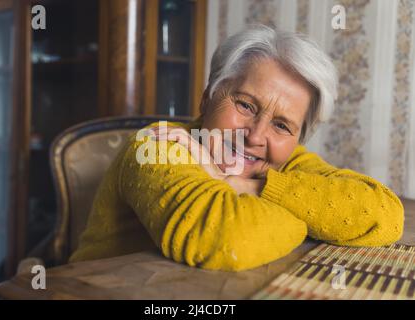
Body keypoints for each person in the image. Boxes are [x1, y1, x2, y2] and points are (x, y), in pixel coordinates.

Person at [69, 25, 404, 271]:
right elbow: (225, 241)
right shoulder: (157, 146)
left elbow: (385, 215)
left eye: (281, 125)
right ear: (207, 98)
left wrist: (243, 185)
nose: (256, 136)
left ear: (297, 141)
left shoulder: (280, 162)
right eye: (245, 105)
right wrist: (315, 222)